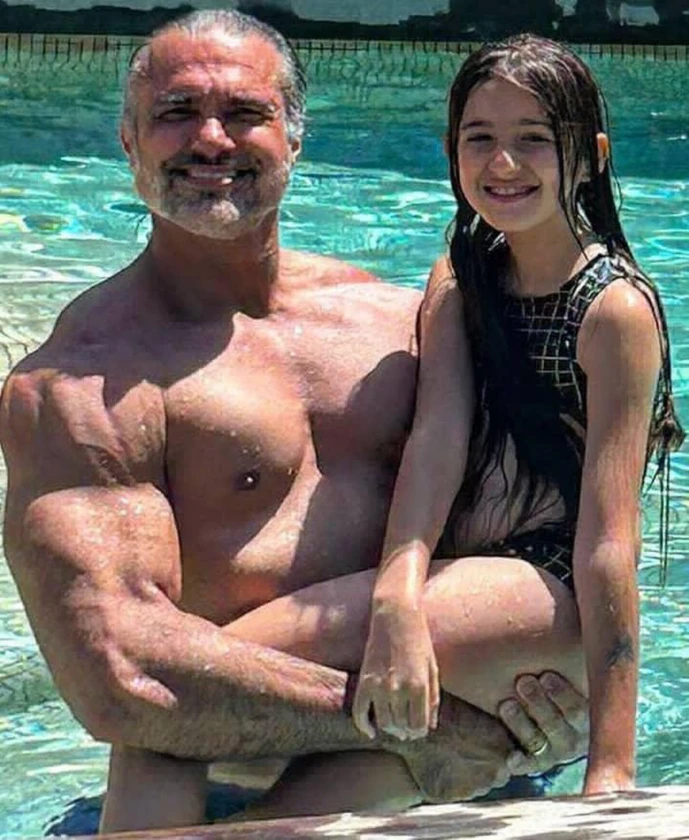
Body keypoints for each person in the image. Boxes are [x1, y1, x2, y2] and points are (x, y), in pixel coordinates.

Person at [0, 12, 590, 834]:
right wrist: (426, 732)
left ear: (295, 138)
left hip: (465, 767)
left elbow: (541, 538)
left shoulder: (405, 324)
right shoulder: (81, 386)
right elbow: (122, 674)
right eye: (176, 113)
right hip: (231, 780)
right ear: (128, 143)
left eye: (245, 113)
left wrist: (555, 712)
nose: (211, 139)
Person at [352, 33, 684, 797]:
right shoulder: (460, 276)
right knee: (322, 786)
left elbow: (608, 544)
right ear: (450, 151)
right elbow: (436, 442)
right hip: (465, 587)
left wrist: (610, 769)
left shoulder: (610, 312)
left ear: (590, 157)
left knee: (239, 663)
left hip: (546, 590)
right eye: (479, 139)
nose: (502, 163)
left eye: (533, 139)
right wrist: (396, 591)